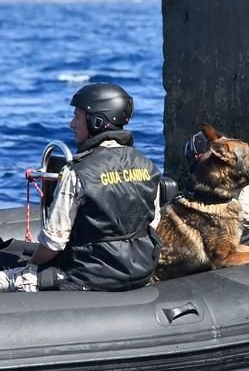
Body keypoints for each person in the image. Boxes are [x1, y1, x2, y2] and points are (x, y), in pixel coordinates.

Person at [0, 83, 161, 292]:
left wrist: (30, 267)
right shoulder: (148, 166)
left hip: (87, 275)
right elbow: (153, 223)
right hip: (140, 271)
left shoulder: (77, 172)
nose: (71, 124)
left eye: (77, 116)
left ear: (97, 121)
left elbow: (53, 244)